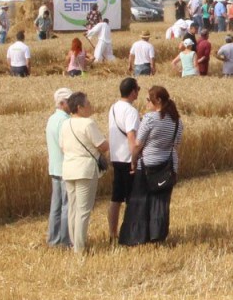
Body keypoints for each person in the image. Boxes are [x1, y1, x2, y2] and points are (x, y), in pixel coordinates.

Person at [119, 86, 183, 246]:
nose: (146, 103)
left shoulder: (150, 119)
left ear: (158, 100)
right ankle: (157, 235)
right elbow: (176, 145)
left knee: (140, 202)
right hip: (168, 168)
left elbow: (138, 145)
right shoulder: (177, 121)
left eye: (149, 100)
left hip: (147, 166)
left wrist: (133, 161)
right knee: (160, 203)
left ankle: (137, 236)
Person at [59, 92, 109, 254]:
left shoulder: (65, 124)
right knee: (83, 210)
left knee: (73, 209)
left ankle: (74, 243)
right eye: (88, 104)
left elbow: (62, 146)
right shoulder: (88, 123)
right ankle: (79, 249)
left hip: (68, 168)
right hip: (85, 169)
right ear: (79, 107)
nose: (90, 106)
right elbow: (102, 146)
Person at [107, 78, 141, 243]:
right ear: (133, 92)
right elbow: (131, 136)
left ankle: (112, 233)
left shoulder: (113, 108)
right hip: (128, 158)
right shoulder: (131, 111)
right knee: (131, 199)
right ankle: (130, 233)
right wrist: (135, 158)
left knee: (116, 198)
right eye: (138, 89)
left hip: (116, 157)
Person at [46, 87, 73, 248]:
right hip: (65, 167)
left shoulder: (51, 119)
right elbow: (67, 146)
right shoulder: (65, 121)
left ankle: (53, 239)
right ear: (62, 103)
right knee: (67, 206)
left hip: (54, 167)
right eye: (70, 101)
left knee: (55, 206)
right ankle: (65, 240)